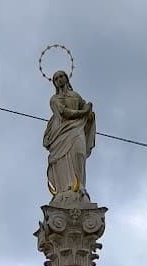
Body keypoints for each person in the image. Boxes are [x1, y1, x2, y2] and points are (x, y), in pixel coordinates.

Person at [43, 70, 96, 198]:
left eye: (61, 76)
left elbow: (85, 108)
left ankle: (80, 186)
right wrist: (83, 113)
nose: (59, 79)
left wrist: (89, 110)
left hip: (77, 129)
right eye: (56, 78)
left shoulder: (76, 96)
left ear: (66, 78)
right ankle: (65, 189)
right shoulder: (54, 99)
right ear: (55, 83)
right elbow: (63, 112)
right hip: (61, 132)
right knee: (63, 159)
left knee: (79, 154)